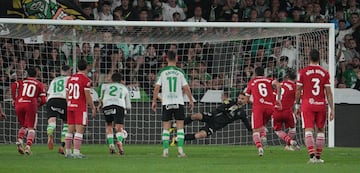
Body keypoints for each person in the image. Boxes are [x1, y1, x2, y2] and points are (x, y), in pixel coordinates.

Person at [151, 51, 194, 158]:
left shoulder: (162, 72)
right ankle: (180, 151)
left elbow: (156, 87)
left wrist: (154, 101)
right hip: (178, 102)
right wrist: (191, 100)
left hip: (166, 102)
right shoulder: (180, 72)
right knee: (180, 127)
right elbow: (186, 87)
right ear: (177, 59)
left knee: (166, 127)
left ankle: (165, 152)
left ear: (166, 59)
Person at [295, 49, 335, 164]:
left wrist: (297, 105)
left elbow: (298, 90)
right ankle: (318, 157)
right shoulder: (325, 72)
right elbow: (328, 92)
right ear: (319, 58)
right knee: (321, 130)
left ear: (309, 57)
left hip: (307, 104)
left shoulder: (302, 72)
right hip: (321, 104)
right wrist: (332, 109)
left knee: (308, 129)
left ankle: (312, 157)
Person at [182, 92, 252, 141]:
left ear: (246, 100)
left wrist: (254, 130)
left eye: (242, 99)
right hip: (211, 116)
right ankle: (178, 124)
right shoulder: (230, 102)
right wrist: (226, 107)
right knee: (196, 115)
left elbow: (247, 124)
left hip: (216, 124)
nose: (240, 100)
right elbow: (220, 108)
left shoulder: (242, 113)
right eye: (239, 98)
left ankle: (179, 139)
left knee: (200, 135)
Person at [245, 66, 281, 156]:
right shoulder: (269, 80)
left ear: (255, 74)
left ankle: (260, 148)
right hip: (270, 107)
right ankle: (263, 137)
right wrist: (278, 99)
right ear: (263, 73)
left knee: (255, 130)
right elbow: (278, 85)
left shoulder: (252, 82)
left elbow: (246, 99)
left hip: (258, 107)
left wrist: (253, 102)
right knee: (262, 125)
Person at [65, 59, 96, 158]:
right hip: (80, 107)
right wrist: (93, 107)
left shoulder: (70, 79)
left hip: (70, 105)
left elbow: (67, 94)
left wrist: (69, 103)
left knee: (70, 129)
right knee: (80, 129)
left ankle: (68, 152)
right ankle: (77, 153)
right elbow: (87, 95)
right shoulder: (85, 80)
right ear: (87, 67)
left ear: (77, 68)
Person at [11, 67, 47, 155]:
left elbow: (13, 86)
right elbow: (43, 100)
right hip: (30, 104)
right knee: (31, 127)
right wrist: (37, 105)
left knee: (24, 126)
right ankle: (28, 146)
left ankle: (19, 140)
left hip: (19, 104)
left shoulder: (21, 81)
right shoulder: (39, 84)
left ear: (27, 74)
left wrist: (14, 99)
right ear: (36, 74)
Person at [97, 72, 131, 155]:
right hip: (119, 105)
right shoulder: (124, 88)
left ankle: (111, 145)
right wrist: (126, 110)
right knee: (118, 127)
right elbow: (128, 105)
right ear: (121, 80)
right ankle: (119, 142)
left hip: (107, 106)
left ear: (112, 80)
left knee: (109, 125)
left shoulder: (105, 86)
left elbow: (100, 98)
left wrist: (99, 105)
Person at [46, 65, 71, 154]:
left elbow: (48, 95)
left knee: (52, 121)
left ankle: (50, 133)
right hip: (63, 99)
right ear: (69, 71)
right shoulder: (70, 79)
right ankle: (62, 145)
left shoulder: (54, 80)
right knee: (67, 123)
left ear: (61, 71)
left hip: (51, 99)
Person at [272, 69, 300, 151]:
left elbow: (274, 96)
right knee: (293, 128)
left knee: (277, 130)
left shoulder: (279, 84)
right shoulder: (295, 87)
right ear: (295, 79)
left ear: (286, 77)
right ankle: (289, 145)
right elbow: (298, 97)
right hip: (288, 111)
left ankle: (290, 142)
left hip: (276, 111)